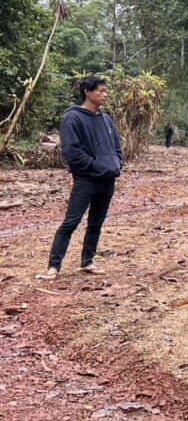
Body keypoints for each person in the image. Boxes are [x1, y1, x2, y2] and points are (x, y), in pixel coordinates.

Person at [39, 76, 124, 280]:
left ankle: (87, 262)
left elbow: (116, 146)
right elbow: (72, 152)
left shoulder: (105, 119)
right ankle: (53, 267)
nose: (105, 94)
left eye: (106, 91)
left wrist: (117, 164)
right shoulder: (72, 118)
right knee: (71, 222)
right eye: (101, 91)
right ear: (87, 91)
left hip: (107, 179)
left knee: (96, 222)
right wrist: (95, 167)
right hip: (86, 180)